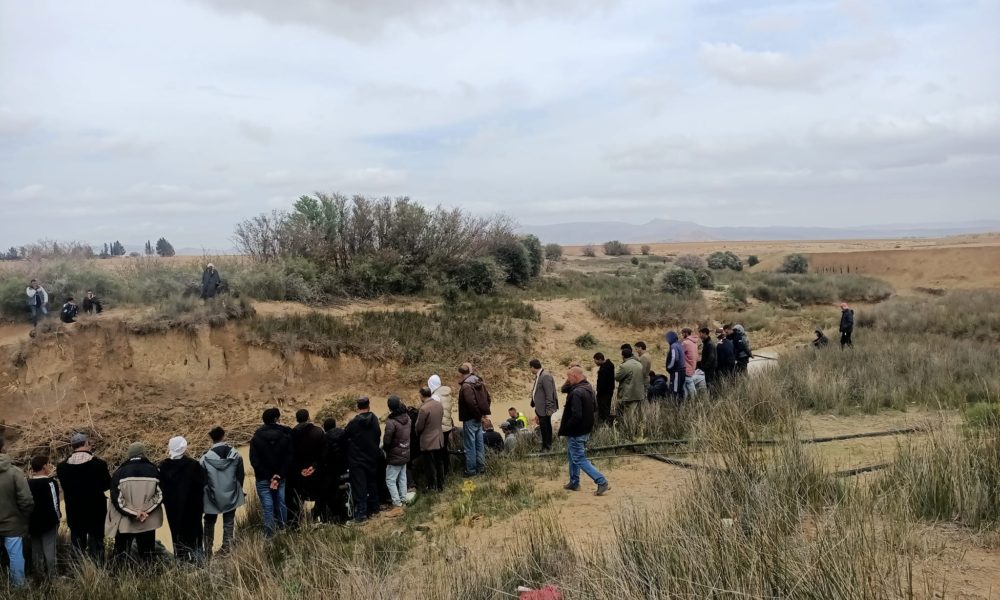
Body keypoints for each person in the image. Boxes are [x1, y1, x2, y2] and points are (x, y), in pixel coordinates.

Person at [57, 433, 110, 563]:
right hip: (96, 510)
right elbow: (107, 484)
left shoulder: (62, 467)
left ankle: (79, 571)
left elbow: (65, 487)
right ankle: (98, 570)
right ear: (87, 444)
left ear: (72, 446)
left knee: (77, 542)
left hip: (74, 510)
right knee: (97, 542)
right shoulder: (99, 464)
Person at [108, 442, 164, 566]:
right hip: (147, 522)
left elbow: (117, 500)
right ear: (143, 454)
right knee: (148, 557)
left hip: (126, 523)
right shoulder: (154, 470)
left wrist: (135, 513)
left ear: (129, 455)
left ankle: (120, 580)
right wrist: (145, 511)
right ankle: (149, 580)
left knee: (121, 556)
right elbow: (160, 495)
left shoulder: (119, 473)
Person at [559, 367, 610, 496]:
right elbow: (594, 408)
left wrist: (567, 427)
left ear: (575, 376)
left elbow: (576, 415)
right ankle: (574, 482)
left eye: (569, 377)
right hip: (585, 429)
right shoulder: (589, 388)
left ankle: (601, 481)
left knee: (579, 458)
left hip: (577, 431)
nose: (568, 380)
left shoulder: (576, 392)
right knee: (572, 456)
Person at [158, 436, 206, 563]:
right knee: (195, 533)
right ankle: (199, 562)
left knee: (177, 534)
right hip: (192, 507)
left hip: (173, 508)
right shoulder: (193, 465)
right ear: (183, 448)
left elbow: (160, 489)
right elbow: (203, 483)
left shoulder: (163, 467)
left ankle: (182, 562)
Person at [201, 426, 245, 558]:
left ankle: (208, 551)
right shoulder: (236, 454)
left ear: (211, 439)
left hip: (211, 496)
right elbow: (240, 475)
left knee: (209, 522)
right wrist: (239, 490)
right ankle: (227, 547)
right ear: (223, 436)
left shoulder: (204, 459)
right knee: (229, 521)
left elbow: (203, 480)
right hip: (231, 493)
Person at [248, 407, 292, 538]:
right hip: (281, 477)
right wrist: (278, 476)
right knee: (281, 503)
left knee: (268, 506)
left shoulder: (256, 437)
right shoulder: (286, 435)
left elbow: (254, 461)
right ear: (276, 419)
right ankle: (283, 530)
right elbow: (289, 457)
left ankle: (269, 535)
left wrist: (269, 476)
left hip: (263, 478)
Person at [0, 437, 33, 588]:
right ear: (3, 448)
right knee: (15, 556)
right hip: (12, 523)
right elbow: (26, 500)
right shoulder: (14, 472)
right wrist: (24, 518)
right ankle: (19, 586)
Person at [344, 397, 381, 523]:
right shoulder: (375, 419)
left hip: (357, 460)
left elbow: (345, 435)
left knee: (360, 487)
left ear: (357, 407)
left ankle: (361, 514)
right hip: (372, 457)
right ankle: (375, 509)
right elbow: (378, 434)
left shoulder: (354, 423)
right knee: (372, 483)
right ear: (369, 405)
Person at [287, 409, 325, 529]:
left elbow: (290, 454)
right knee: (318, 494)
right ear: (308, 417)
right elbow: (324, 453)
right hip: (316, 469)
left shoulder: (291, 434)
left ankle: (299, 522)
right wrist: (314, 467)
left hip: (299, 472)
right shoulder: (318, 431)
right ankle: (318, 517)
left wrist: (300, 469)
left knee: (299, 497)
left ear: (297, 419)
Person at [27, 455, 60, 580]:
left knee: (36, 549)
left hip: (33, 521)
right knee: (50, 549)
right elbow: (55, 502)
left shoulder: (27, 483)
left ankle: (38, 574)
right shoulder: (51, 483)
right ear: (44, 466)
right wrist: (57, 518)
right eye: (48, 464)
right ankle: (52, 575)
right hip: (48, 521)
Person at [457, 363, 491, 477]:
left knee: (470, 445)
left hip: (470, 419)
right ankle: (481, 467)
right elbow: (488, 398)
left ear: (461, 373)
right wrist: (482, 415)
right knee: (479, 444)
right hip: (477, 418)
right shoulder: (479, 381)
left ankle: (471, 470)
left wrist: (478, 416)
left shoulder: (466, 386)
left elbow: (471, 403)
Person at [383, 396, 411, 516]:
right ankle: (403, 499)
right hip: (405, 450)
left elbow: (387, 441)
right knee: (402, 477)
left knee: (390, 480)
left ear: (389, 407)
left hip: (394, 454)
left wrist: (386, 449)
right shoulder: (407, 417)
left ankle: (397, 503)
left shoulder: (391, 422)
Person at [317, 418, 349, 524]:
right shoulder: (344, 433)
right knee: (345, 491)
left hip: (331, 470)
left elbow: (324, 455)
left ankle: (335, 515)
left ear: (325, 427)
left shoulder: (325, 438)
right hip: (345, 466)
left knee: (333, 493)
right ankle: (346, 515)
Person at [415, 387, 445, 492]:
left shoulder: (424, 409)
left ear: (422, 396)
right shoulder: (439, 405)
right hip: (439, 438)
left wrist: (417, 433)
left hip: (428, 440)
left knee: (429, 465)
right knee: (439, 463)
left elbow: (419, 426)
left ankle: (432, 486)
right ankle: (441, 485)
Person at [529, 359, 559, 451]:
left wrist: (549, 409)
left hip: (545, 409)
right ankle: (545, 446)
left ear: (533, 367)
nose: (530, 370)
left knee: (546, 428)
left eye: (530, 368)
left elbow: (549, 394)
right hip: (540, 408)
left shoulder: (545, 376)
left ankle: (547, 447)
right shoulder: (540, 375)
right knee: (544, 428)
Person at [428, 374, 455, 457]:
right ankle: (446, 469)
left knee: (438, 451)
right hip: (447, 425)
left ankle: (440, 469)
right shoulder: (447, 394)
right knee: (445, 449)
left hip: (439, 428)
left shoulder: (435, 396)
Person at [614, 347, 645, 415]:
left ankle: (624, 425)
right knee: (634, 414)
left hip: (628, 394)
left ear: (623, 356)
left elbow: (617, 377)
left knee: (627, 415)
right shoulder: (639, 364)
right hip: (638, 394)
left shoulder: (625, 365)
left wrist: (618, 368)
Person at [593, 353, 615, 425]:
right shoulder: (609, 365)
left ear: (600, 359)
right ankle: (606, 424)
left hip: (603, 393)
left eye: (595, 361)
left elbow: (602, 383)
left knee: (603, 411)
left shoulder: (604, 369)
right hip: (609, 391)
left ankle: (605, 425)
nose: (595, 362)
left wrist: (599, 392)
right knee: (606, 409)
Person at [665, 331, 686, 401]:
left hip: (677, 371)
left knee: (675, 390)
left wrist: (669, 368)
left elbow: (675, 358)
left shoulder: (674, 346)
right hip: (682, 370)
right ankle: (681, 405)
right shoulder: (679, 344)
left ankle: (676, 407)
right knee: (680, 389)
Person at [697, 327, 718, 394]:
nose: (699, 335)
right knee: (709, 383)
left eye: (700, 334)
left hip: (710, 368)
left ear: (705, 333)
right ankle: (712, 396)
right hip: (709, 367)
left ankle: (713, 397)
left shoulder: (709, 344)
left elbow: (711, 357)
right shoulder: (707, 343)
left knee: (710, 383)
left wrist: (705, 366)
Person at [681, 328, 700, 399]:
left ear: (686, 333)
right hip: (692, 367)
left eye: (682, 333)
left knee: (686, 387)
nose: (682, 334)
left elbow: (680, 355)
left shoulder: (685, 343)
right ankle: (693, 402)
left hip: (686, 368)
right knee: (689, 385)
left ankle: (689, 402)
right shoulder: (694, 343)